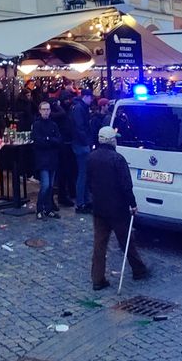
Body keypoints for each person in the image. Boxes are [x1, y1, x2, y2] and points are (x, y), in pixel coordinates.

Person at [86, 125, 150, 290]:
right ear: (111, 140)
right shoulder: (117, 159)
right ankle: (138, 269)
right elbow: (126, 186)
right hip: (118, 208)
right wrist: (133, 204)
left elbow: (88, 182)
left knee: (99, 244)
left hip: (100, 207)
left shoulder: (91, 157)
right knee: (126, 241)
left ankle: (97, 278)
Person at [30, 101, 63, 219]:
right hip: (42, 159)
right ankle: (40, 209)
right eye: (44, 109)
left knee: (50, 186)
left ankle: (48, 209)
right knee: (45, 185)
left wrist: (48, 140)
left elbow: (59, 140)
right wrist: (50, 140)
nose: (46, 112)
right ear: (40, 111)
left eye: (48, 109)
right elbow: (38, 141)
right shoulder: (37, 125)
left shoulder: (53, 124)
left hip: (52, 159)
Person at [68, 89, 97, 213]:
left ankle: (85, 201)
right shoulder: (80, 109)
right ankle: (81, 203)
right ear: (86, 97)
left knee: (84, 173)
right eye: (90, 97)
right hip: (81, 144)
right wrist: (87, 142)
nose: (92, 100)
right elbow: (80, 128)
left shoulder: (79, 107)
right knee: (83, 173)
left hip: (81, 143)